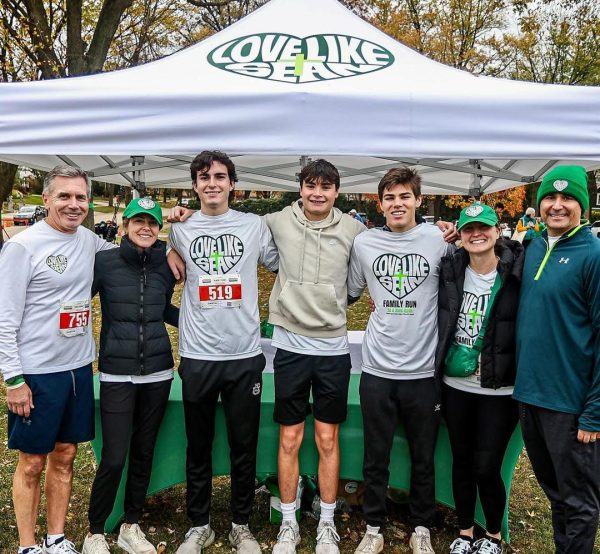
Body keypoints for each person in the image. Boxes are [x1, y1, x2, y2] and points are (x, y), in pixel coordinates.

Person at [0, 166, 114, 554]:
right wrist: (14, 379)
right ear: (46, 199)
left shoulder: (90, 241)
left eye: (81, 197)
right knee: (33, 461)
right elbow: (5, 318)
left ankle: (57, 537)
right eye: (64, 196)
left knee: (65, 455)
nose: (74, 204)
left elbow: (131, 253)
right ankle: (29, 546)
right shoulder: (23, 247)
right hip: (36, 373)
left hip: (79, 369)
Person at [169, 151, 278, 554]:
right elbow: (152, 243)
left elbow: (284, 263)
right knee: (197, 445)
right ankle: (199, 525)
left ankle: (240, 524)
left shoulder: (254, 225)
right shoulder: (180, 228)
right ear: (194, 184)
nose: (212, 183)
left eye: (220, 176)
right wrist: (168, 245)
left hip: (244, 353)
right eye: (204, 177)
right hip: (198, 355)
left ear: (233, 183)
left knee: (242, 445)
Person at [347, 167, 454, 554]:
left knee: (422, 456)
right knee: (376, 455)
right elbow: (352, 291)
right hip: (376, 369)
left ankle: (421, 527)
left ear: (418, 200)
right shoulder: (365, 244)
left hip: (423, 372)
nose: (397, 203)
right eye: (389, 197)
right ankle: (373, 526)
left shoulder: (439, 240)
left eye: (404, 196)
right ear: (380, 204)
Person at [265, 159, 366, 554]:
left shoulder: (354, 229)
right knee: (290, 437)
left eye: (326, 186)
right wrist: (179, 218)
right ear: (300, 188)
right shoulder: (276, 221)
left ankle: (326, 522)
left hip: (332, 350)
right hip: (290, 347)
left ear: (337, 192)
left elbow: (385, 246)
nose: (318, 193)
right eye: (311, 185)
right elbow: (228, 222)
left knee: (327, 437)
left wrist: (439, 230)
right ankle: (288, 523)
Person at [82, 198, 179, 554]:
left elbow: (163, 308)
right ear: (124, 225)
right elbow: (78, 303)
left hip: (158, 372)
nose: (145, 228)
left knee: (144, 452)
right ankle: (95, 530)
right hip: (116, 374)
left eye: (152, 223)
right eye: (138, 221)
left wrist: (199, 322)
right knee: (114, 455)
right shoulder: (104, 263)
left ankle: (131, 525)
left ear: (159, 228)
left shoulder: (167, 264)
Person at [513, 165, 600, 554]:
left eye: (568, 199)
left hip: (571, 404)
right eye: (550, 197)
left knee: (579, 501)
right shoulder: (531, 247)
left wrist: (595, 412)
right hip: (531, 396)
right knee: (555, 493)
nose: (558, 205)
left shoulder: (593, 254)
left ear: (584, 205)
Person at [437, 204, 523, 554]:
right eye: (468, 228)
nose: (476, 234)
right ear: (461, 233)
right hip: (456, 384)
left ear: (497, 231)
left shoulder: (517, 270)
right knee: (462, 460)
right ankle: (464, 531)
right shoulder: (451, 268)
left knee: (487, 465)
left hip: (499, 387)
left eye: (483, 227)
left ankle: (493, 536)